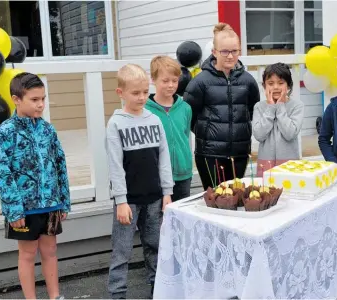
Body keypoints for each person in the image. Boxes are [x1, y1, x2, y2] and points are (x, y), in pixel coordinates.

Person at [0, 72, 70, 300]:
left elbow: (59, 164)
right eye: (34, 100)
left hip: (51, 205)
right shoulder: (4, 133)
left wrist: (63, 200)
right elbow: (1, 173)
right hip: (23, 210)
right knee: (27, 254)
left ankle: (55, 296)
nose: (41, 104)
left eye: (43, 98)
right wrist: (13, 209)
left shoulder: (47, 130)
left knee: (50, 251)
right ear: (16, 99)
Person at [106, 64, 174, 299]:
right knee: (122, 251)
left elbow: (163, 158)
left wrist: (167, 192)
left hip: (154, 198)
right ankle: (118, 294)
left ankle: (158, 291)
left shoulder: (155, 120)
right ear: (120, 93)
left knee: (154, 246)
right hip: (128, 202)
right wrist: (121, 201)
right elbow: (115, 166)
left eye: (145, 91)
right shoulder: (115, 124)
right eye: (136, 93)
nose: (142, 97)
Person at [184, 23, 260, 190]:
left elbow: (253, 110)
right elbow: (188, 116)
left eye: (234, 51)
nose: (230, 56)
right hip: (210, 155)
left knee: (235, 197)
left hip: (239, 153)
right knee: (216, 199)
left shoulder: (248, 81)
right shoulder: (200, 82)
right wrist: (208, 131)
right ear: (214, 52)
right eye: (224, 51)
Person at [146, 55, 193, 201]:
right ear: (153, 80)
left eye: (174, 80)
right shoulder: (146, 110)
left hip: (182, 173)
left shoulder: (185, 108)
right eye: (165, 81)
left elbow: (186, 136)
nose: (171, 85)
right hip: (157, 175)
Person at [252, 63, 304, 176]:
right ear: (264, 86)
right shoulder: (259, 107)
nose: (275, 87)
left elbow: (290, 133)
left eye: (281, 83)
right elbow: (259, 135)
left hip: (289, 165)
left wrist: (280, 106)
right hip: (266, 165)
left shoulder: (297, 106)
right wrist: (270, 108)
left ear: (289, 86)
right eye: (270, 83)